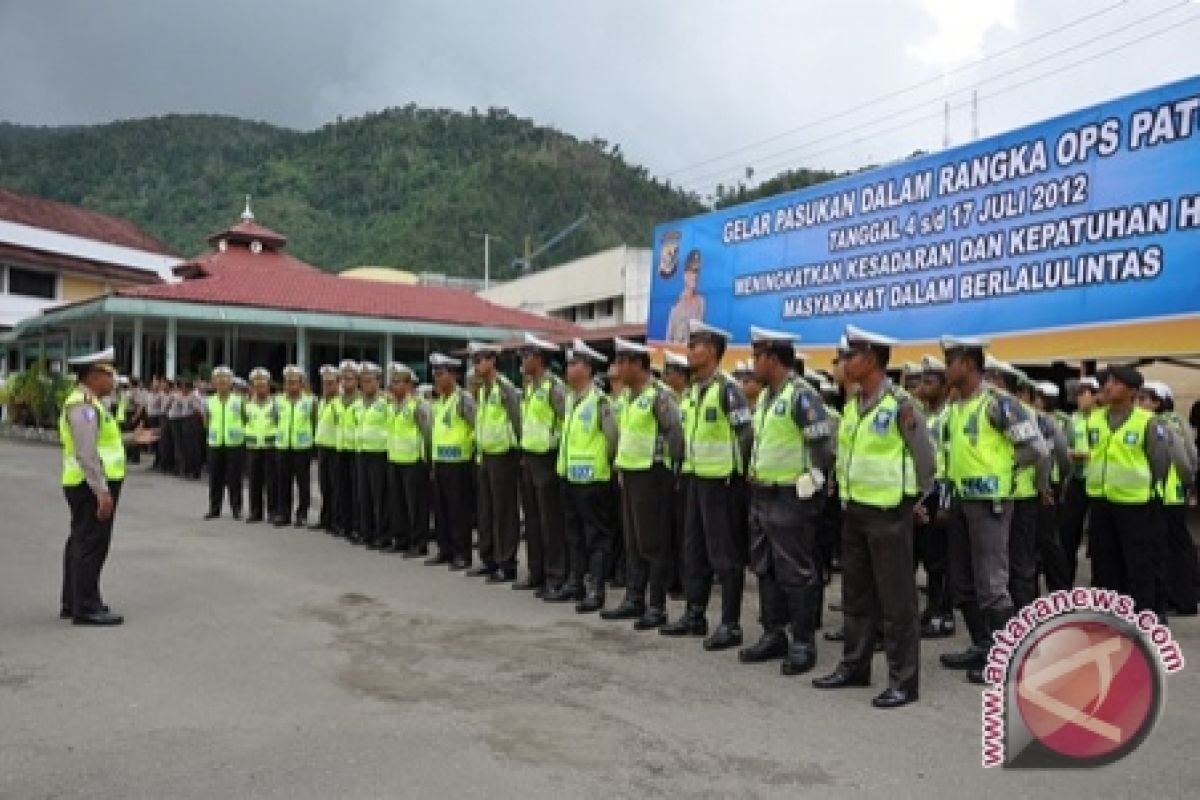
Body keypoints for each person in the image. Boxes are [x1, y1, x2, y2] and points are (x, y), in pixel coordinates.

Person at [813, 327, 933, 709]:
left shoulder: (901, 405)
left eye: (852, 356)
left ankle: (903, 680)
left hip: (889, 512)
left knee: (897, 600)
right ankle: (855, 665)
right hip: (855, 511)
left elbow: (926, 460)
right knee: (856, 595)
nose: (845, 363)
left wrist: (917, 500)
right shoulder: (853, 406)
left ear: (872, 359)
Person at [939, 337, 1050, 685]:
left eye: (951, 361)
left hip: (991, 503)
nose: (946, 369)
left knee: (992, 582)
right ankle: (983, 645)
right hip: (960, 500)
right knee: (963, 580)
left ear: (969, 364)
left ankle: (1007, 658)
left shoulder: (998, 404)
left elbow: (1038, 449)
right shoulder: (957, 406)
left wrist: (1006, 469)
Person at [737, 326, 834, 674]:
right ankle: (773, 632)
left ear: (772, 359)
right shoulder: (766, 397)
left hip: (791, 496)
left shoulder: (802, 396)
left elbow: (823, 447)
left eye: (756, 357)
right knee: (765, 566)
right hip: (762, 493)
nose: (752, 364)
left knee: (796, 570)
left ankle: (803, 642)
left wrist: (813, 484)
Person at [661, 320, 753, 651]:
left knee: (724, 556)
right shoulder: (698, 390)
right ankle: (694, 614)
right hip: (696, 479)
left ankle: (730, 624)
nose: (689, 351)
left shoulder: (729, 390)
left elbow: (746, 436)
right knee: (693, 550)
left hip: (722, 483)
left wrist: (736, 474)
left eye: (694, 345)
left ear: (711, 351)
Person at [1086, 366, 1185, 619]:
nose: (1108, 387)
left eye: (1116, 383)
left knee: (1140, 562)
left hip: (1135, 503)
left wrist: (1151, 488)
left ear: (1131, 391)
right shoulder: (1095, 418)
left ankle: (1146, 614)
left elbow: (1160, 461)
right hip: (1100, 499)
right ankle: (1110, 614)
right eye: (1107, 382)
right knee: (1104, 560)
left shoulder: (1148, 422)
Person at [600, 337, 683, 630]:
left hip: (653, 475)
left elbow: (675, 434)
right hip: (631, 473)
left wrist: (672, 473)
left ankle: (657, 606)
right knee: (633, 541)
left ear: (638, 365)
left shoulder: (660, 396)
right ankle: (634, 599)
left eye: (622, 362)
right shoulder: (625, 398)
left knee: (654, 543)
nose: (617, 368)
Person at [59, 348, 127, 626]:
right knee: (91, 545)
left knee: (80, 542)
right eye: (109, 375)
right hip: (90, 486)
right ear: (94, 376)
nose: (113, 381)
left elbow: (101, 443)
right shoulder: (84, 406)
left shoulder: (90, 404)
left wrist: (133, 438)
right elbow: (86, 452)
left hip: (85, 483)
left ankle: (74, 600)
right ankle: (86, 606)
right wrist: (101, 490)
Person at [557, 340, 620, 613]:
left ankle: (596, 589)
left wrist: (603, 467)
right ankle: (575, 582)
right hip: (571, 478)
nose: (569, 369)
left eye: (574, 364)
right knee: (574, 535)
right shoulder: (572, 401)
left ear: (587, 368)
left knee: (597, 538)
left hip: (594, 480)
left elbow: (612, 440)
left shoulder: (600, 401)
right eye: (569, 363)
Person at [516, 333, 570, 599]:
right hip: (530, 457)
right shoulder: (530, 387)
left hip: (548, 459)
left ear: (539, 358)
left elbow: (566, 422)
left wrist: (555, 445)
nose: (523, 361)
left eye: (527, 356)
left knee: (551, 522)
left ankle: (555, 575)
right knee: (533, 520)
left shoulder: (554, 388)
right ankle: (536, 572)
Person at [1139, 381, 1198, 616]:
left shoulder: (1163, 424)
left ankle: (1180, 599)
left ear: (1158, 402)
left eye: (1144, 399)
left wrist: (1186, 482)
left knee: (1169, 549)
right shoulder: (1176, 420)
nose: (1139, 404)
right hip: (1172, 493)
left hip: (1167, 494)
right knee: (1179, 546)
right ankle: (1185, 596)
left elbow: (1185, 460)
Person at [467, 342, 523, 582]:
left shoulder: (505, 389)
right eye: (474, 361)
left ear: (492, 361)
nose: (477, 365)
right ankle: (488, 559)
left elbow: (517, 420)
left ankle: (506, 562)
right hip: (487, 454)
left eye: (481, 360)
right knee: (486, 510)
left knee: (504, 511)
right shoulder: (483, 391)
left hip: (504, 455)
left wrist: (519, 453)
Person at [914, 355, 955, 638]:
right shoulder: (924, 416)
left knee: (941, 560)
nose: (923, 387)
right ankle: (932, 609)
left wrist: (945, 503)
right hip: (923, 493)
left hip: (941, 493)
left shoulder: (949, 417)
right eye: (922, 381)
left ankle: (944, 614)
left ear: (944, 386)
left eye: (930, 381)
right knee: (928, 556)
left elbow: (952, 461)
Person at [427, 353, 476, 570]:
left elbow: (476, 426)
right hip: (441, 461)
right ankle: (445, 549)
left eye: (440, 374)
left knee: (459, 510)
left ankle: (462, 553)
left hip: (459, 462)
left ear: (453, 375)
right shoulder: (440, 402)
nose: (436, 379)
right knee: (441, 509)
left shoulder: (463, 399)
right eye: (434, 374)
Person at [1029, 380, 1073, 595]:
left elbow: (1063, 457)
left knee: (1047, 540)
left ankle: (1060, 588)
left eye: (1037, 396)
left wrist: (1057, 483)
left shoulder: (1055, 421)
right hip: (1039, 484)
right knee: (1038, 540)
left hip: (1047, 485)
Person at [386, 362, 432, 557]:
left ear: (408, 384)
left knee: (416, 506)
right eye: (392, 382)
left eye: (397, 382)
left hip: (414, 461)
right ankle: (401, 539)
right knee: (399, 504)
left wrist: (428, 461)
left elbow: (427, 433)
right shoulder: (392, 405)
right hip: (395, 458)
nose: (393, 386)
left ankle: (418, 542)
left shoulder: (418, 405)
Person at [1060, 376, 1100, 583]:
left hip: (1099, 480)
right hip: (1077, 479)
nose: (1078, 398)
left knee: (1100, 534)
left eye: (1082, 393)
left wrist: (1088, 455)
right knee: (1069, 531)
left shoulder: (1103, 418)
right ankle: (1065, 582)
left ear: (1095, 395)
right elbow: (1064, 444)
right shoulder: (1072, 419)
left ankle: (1101, 583)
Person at [661, 350, 692, 602]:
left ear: (681, 376)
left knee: (684, 531)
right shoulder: (669, 400)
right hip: (671, 471)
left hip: (688, 472)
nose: (664, 377)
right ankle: (673, 578)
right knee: (670, 529)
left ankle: (683, 580)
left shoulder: (689, 400)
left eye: (669, 373)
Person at [355, 362, 391, 548]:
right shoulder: (358, 403)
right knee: (364, 496)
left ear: (378, 381)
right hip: (362, 452)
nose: (366, 384)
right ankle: (366, 532)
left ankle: (382, 535)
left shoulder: (385, 402)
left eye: (370, 380)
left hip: (379, 453)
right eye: (363, 381)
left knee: (380, 497)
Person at [275, 365, 316, 528]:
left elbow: (314, 422)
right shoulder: (278, 401)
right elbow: (275, 420)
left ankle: (302, 514)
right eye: (288, 382)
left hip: (302, 447)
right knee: (283, 481)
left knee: (303, 482)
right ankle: (283, 513)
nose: (291, 385)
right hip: (283, 446)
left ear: (301, 383)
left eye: (294, 382)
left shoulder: (310, 401)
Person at [202, 366, 245, 520]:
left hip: (234, 444)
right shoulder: (209, 401)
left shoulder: (239, 401)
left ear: (231, 382)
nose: (221, 383)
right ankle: (214, 509)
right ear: (214, 383)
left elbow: (244, 419)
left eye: (225, 380)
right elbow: (206, 421)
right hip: (215, 443)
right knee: (215, 478)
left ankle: (236, 508)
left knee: (234, 478)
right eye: (218, 380)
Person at [243, 368, 281, 524]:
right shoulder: (247, 405)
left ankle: (272, 511)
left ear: (268, 386)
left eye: (263, 385)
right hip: (253, 447)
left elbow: (279, 423)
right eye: (257, 386)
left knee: (272, 481)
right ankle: (255, 511)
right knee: (254, 480)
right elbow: (244, 422)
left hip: (270, 446)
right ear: (252, 387)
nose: (260, 389)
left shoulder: (276, 404)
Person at [311, 366, 341, 532]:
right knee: (324, 486)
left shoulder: (339, 403)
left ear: (338, 384)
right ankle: (325, 518)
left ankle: (336, 520)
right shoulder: (322, 402)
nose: (327, 387)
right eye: (324, 383)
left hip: (335, 448)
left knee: (335, 487)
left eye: (330, 383)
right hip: (323, 447)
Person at [333, 361, 361, 539]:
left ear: (357, 380)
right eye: (343, 378)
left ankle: (356, 526)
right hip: (341, 449)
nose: (346, 382)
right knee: (342, 489)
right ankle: (344, 524)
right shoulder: (336, 402)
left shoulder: (361, 401)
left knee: (356, 492)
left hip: (356, 450)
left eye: (350, 378)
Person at [666, 249, 706, 343]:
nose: (695, 276)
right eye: (691, 272)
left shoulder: (701, 302)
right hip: (676, 350)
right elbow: (669, 336)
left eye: (696, 272)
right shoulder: (676, 304)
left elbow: (698, 331)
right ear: (685, 275)